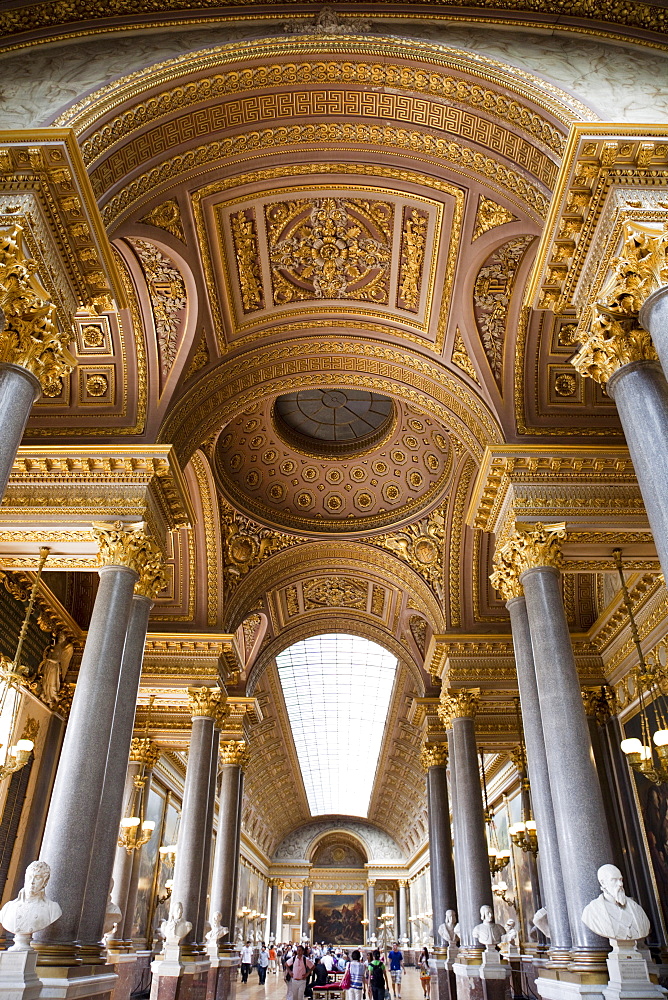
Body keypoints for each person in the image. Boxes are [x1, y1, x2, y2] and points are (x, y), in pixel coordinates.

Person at [581, 864, 651, 942]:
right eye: (614, 880)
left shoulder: (636, 908)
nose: (620, 884)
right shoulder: (592, 911)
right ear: (603, 883)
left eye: (620, 879)